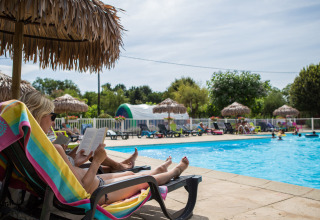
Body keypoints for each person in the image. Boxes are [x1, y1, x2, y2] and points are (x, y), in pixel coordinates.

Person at [19, 91, 189, 205]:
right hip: (97, 192)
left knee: (130, 174)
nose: (54, 121)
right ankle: (173, 172)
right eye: (52, 116)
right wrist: (97, 161)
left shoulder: (34, 147)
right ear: (39, 116)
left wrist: (77, 161)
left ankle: (160, 168)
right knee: (145, 180)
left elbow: (66, 173)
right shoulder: (53, 148)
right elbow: (82, 188)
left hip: (94, 183)